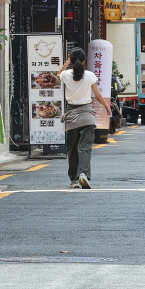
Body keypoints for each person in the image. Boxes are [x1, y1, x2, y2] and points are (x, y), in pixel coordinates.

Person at [58, 48, 111, 189]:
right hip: (87, 113)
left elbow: (58, 73)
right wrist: (107, 106)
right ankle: (83, 174)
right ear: (84, 60)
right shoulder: (90, 75)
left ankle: (74, 180)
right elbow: (98, 95)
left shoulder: (66, 74)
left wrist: (67, 62)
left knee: (73, 148)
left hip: (72, 114)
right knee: (85, 147)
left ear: (70, 58)